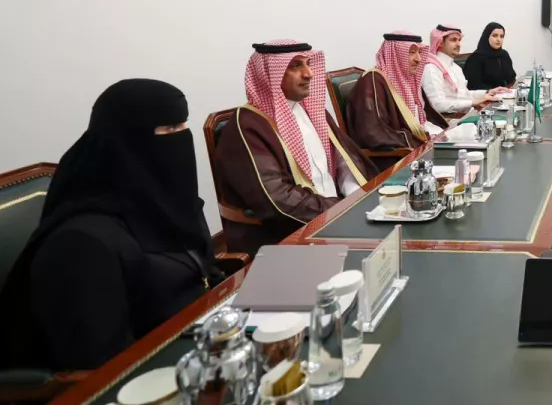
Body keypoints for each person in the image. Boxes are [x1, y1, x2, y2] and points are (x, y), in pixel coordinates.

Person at [0, 80, 219, 371]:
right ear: (127, 142)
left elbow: (201, 271)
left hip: (201, 341)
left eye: (182, 126)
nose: (181, 139)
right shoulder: (81, 245)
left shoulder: (168, 204)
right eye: (169, 129)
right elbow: (102, 369)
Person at [213, 40, 373, 255]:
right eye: (295, 66)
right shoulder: (248, 126)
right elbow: (278, 199)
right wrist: (341, 210)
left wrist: (357, 198)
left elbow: (343, 161)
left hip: (332, 217)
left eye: (308, 64)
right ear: (268, 74)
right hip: (286, 236)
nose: (309, 74)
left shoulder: (312, 111)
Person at [345, 31, 448, 151]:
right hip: (397, 156)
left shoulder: (409, 80)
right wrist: (418, 141)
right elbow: (373, 133)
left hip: (421, 145)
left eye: (420, 52)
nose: (418, 59)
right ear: (394, 54)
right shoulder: (373, 82)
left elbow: (423, 119)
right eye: (411, 52)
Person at [421, 24, 501, 118]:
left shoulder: (455, 67)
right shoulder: (431, 68)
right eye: (453, 40)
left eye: (459, 40)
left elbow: (464, 94)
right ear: (441, 42)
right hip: (449, 120)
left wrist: (488, 92)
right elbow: (437, 104)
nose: (458, 44)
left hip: (466, 115)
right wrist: (473, 102)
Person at [463, 22, 517, 91]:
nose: (499, 39)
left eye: (501, 36)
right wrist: (494, 91)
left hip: (506, 94)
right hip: (486, 95)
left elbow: (511, 78)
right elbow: (473, 85)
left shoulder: (504, 54)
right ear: (487, 36)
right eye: (495, 36)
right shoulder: (476, 57)